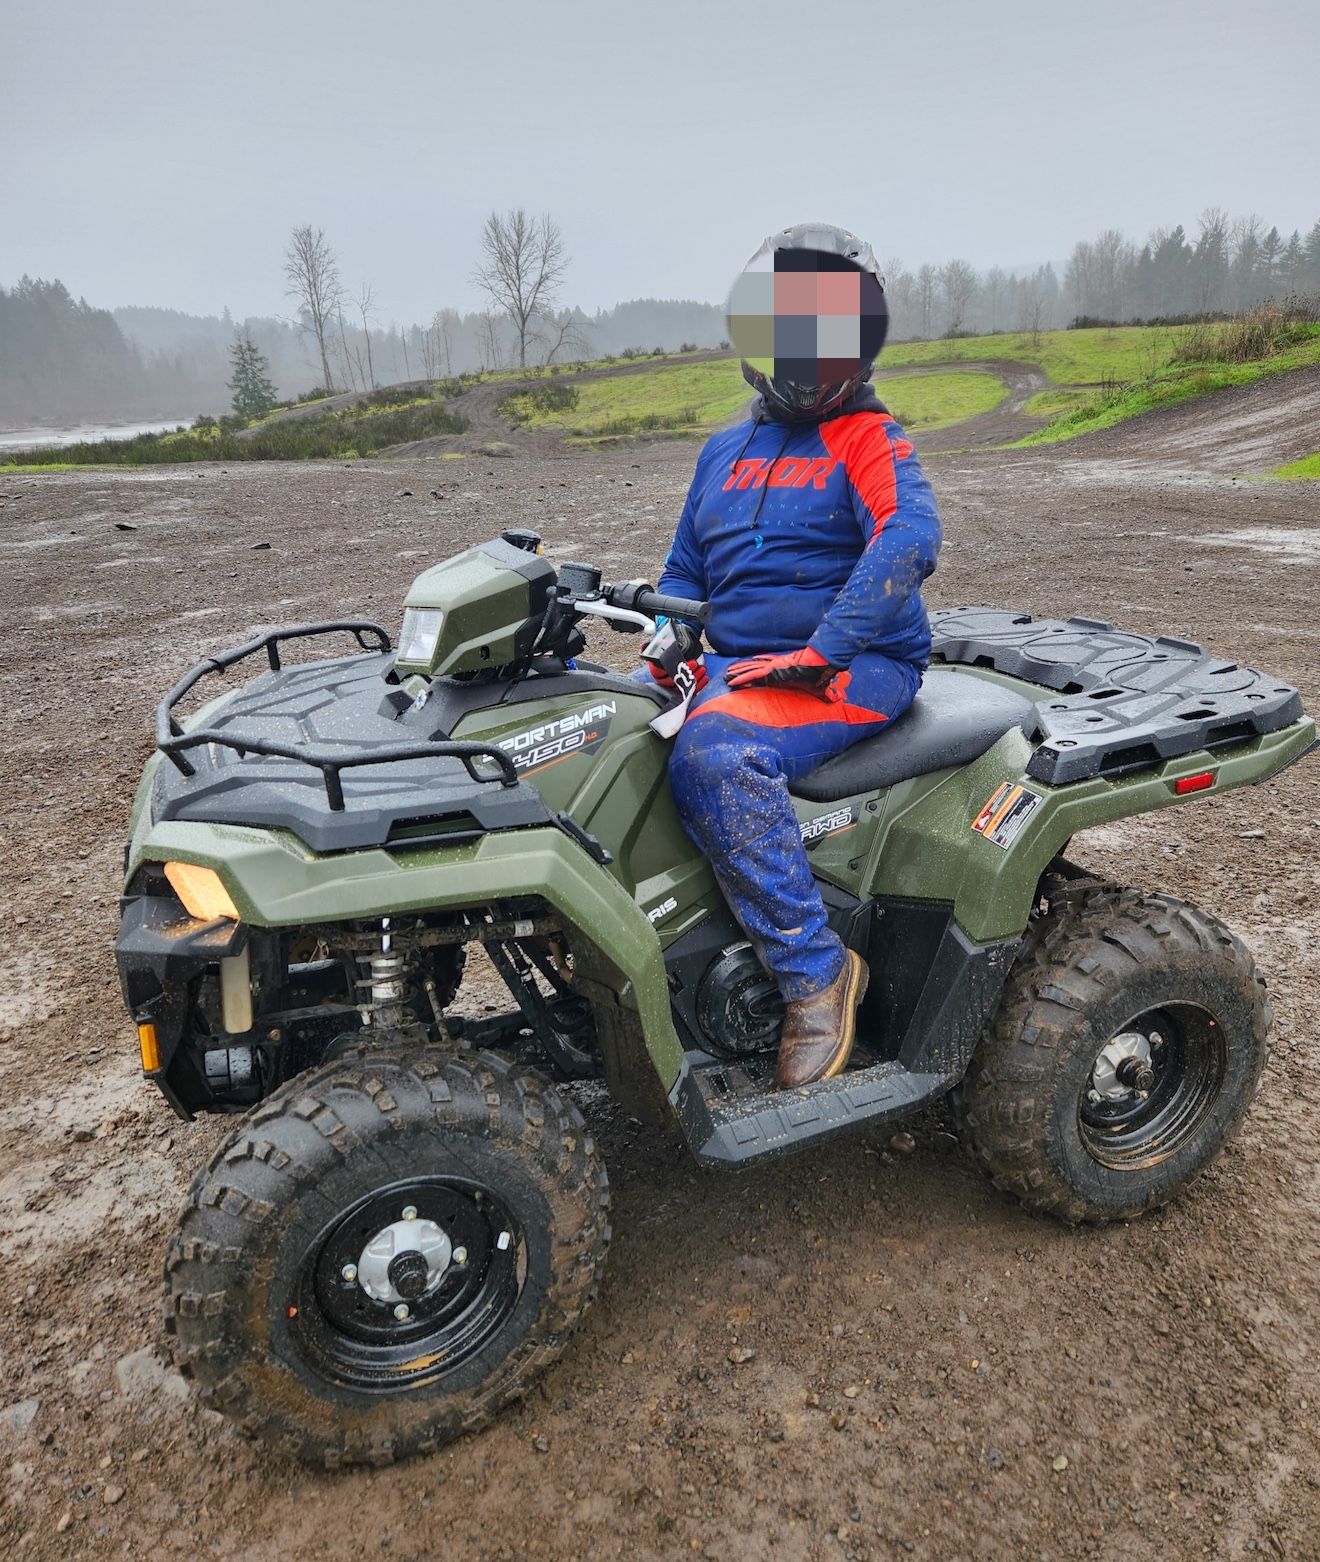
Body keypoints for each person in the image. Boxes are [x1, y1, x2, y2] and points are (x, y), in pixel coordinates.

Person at [646, 222, 942, 1090]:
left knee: (714, 752)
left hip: (857, 668)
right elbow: (684, 572)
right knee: (601, 731)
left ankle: (816, 973)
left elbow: (909, 539)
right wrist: (666, 646)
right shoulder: (721, 452)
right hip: (743, 665)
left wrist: (822, 650)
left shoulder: (871, 440)